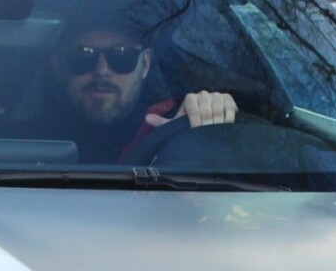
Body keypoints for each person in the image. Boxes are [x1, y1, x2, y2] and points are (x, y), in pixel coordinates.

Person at [21, 16, 239, 162]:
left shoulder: (174, 128)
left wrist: (210, 124)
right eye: (83, 56)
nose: (102, 70)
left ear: (145, 65)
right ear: (59, 65)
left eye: (121, 55)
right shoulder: (19, 145)